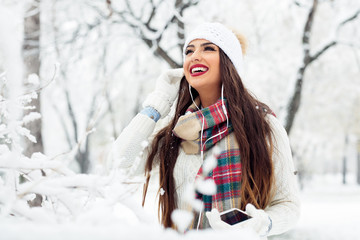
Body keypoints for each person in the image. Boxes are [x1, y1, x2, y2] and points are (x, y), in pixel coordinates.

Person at [110, 22, 300, 239]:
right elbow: (117, 166)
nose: (195, 56)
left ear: (229, 62)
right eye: (189, 51)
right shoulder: (176, 132)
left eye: (208, 48)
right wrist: (157, 104)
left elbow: (288, 204)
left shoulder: (262, 126)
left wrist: (262, 224)